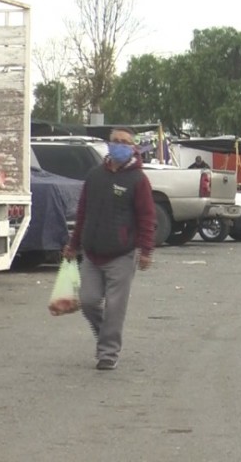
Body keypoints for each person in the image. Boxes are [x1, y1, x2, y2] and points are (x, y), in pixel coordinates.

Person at [63, 127, 155, 370]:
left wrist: (146, 250)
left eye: (125, 142)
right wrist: (73, 244)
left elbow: (147, 217)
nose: (119, 145)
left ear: (133, 147)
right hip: (92, 253)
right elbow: (83, 212)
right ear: (108, 144)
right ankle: (106, 336)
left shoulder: (138, 180)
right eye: (115, 141)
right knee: (89, 300)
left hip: (122, 254)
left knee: (115, 307)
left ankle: (108, 353)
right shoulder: (95, 176)